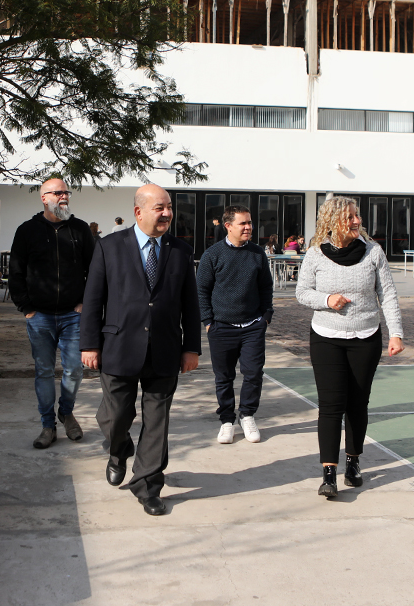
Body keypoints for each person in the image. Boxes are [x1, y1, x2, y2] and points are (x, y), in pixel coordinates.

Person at [80, 184, 201, 516]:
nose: (167, 214)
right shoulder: (109, 246)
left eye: (169, 207)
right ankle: (118, 450)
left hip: (164, 350)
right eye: (159, 207)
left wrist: (191, 347)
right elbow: (93, 299)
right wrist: (89, 343)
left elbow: (190, 304)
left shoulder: (179, 250)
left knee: (157, 422)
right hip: (117, 347)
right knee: (115, 415)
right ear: (138, 212)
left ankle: (147, 485)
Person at [296, 196, 404, 499]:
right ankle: (328, 472)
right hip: (326, 337)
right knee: (330, 407)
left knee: (357, 403)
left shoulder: (373, 253)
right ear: (333, 222)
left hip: (365, 338)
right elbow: (302, 292)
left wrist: (395, 333)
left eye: (357, 216)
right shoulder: (316, 255)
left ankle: (353, 461)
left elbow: (389, 295)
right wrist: (327, 300)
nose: (357, 221)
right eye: (351, 217)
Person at [9, 178, 96, 450]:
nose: (64, 197)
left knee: (74, 369)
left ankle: (66, 411)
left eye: (66, 192)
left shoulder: (80, 229)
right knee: (44, 371)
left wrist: (84, 302)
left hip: (73, 315)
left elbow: (94, 270)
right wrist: (27, 308)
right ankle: (48, 425)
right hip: (40, 316)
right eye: (58, 193)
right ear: (43, 197)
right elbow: (16, 272)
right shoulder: (27, 231)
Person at [196, 205, 274, 444]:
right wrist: (209, 322)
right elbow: (201, 291)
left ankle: (247, 415)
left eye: (249, 222)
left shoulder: (257, 253)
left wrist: (265, 317)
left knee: (253, 374)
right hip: (221, 327)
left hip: (252, 326)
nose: (249, 227)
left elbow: (265, 287)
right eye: (243, 223)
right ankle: (227, 420)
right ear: (228, 226)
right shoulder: (213, 255)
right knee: (224, 377)